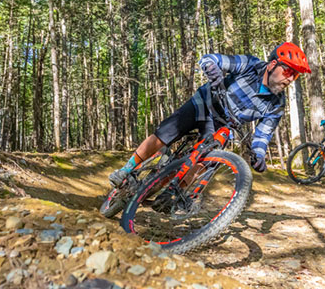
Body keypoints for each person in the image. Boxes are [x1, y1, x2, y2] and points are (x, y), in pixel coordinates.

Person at [108, 43, 312, 194]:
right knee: (167, 131)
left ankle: (174, 193)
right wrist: (213, 70)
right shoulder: (250, 65)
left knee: (207, 161)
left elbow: (263, 134)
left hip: (224, 126)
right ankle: (126, 170)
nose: (290, 78)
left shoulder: (277, 104)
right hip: (204, 104)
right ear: (272, 65)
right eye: (288, 71)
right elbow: (211, 59)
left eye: (296, 76)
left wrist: (258, 155)